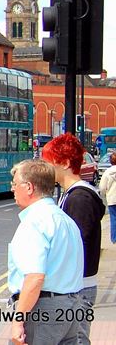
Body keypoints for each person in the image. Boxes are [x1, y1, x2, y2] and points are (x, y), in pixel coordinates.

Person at [7, 159, 85, 345]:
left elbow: (34, 278)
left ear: (28, 187)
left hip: (42, 310)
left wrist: (18, 320)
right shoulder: (65, 219)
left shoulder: (34, 222)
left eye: (15, 184)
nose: (12, 189)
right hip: (71, 305)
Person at [40, 133, 104, 341]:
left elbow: (76, 245)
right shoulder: (71, 194)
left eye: (49, 162)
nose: (45, 167)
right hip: (74, 285)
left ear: (65, 163)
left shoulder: (79, 198)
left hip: (78, 288)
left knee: (77, 338)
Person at [99, 152, 116, 245]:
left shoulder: (107, 172)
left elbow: (102, 187)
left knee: (113, 218)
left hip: (112, 198)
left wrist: (104, 194)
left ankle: (114, 239)